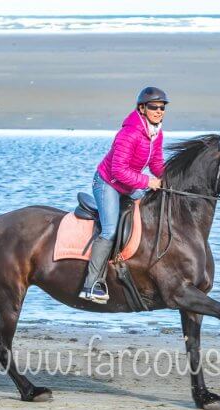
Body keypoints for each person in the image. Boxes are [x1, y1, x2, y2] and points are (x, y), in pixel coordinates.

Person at [78, 86, 168, 303]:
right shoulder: (129, 133)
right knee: (109, 230)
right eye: (154, 107)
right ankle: (91, 285)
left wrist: (169, 179)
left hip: (127, 185)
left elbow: (156, 164)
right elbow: (118, 170)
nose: (159, 111)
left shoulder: (156, 133)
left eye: (162, 107)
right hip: (108, 183)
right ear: (142, 108)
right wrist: (148, 181)